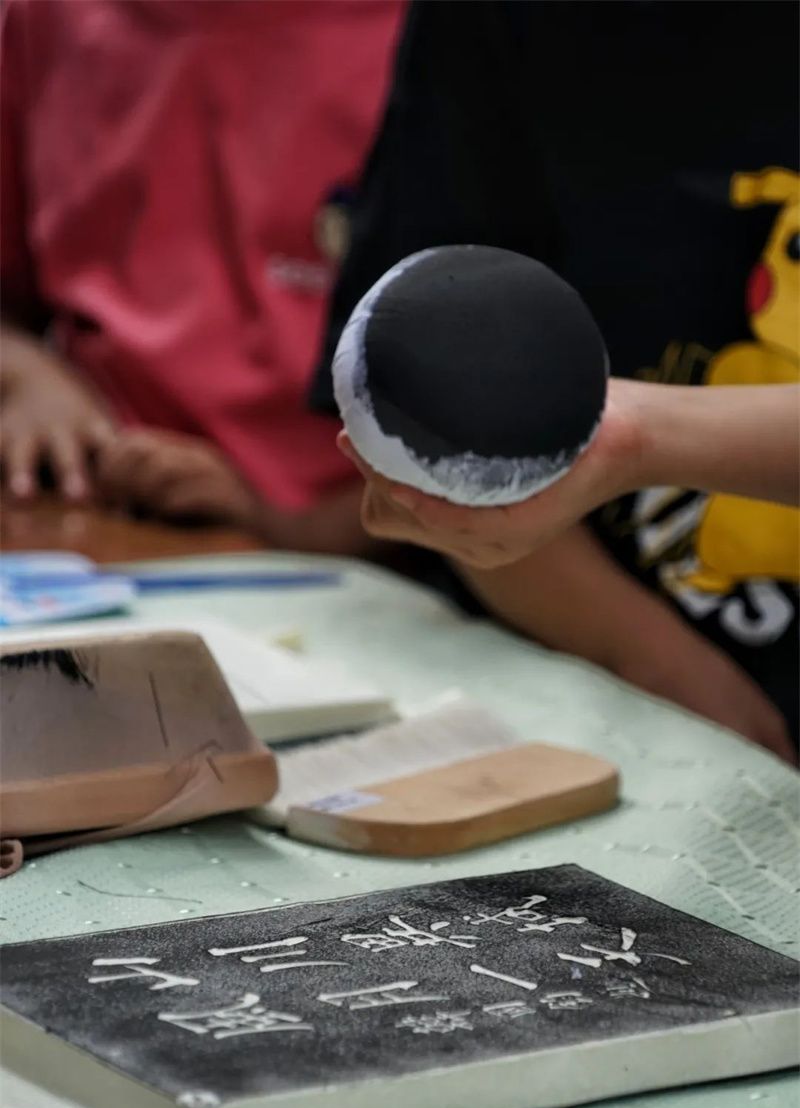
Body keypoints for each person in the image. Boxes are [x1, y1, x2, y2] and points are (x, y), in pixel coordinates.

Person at [311, 0, 800, 760]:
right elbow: (420, 380)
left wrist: (639, 437)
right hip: (590, 679)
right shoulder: (499, 27)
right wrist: (654, 660)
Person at [0, 0, 404, 554]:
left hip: (363, 548)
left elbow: (487, 437)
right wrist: (29, 375)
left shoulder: (444, 38)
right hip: (86, 518)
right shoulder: (50, 19)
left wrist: (288, 525)